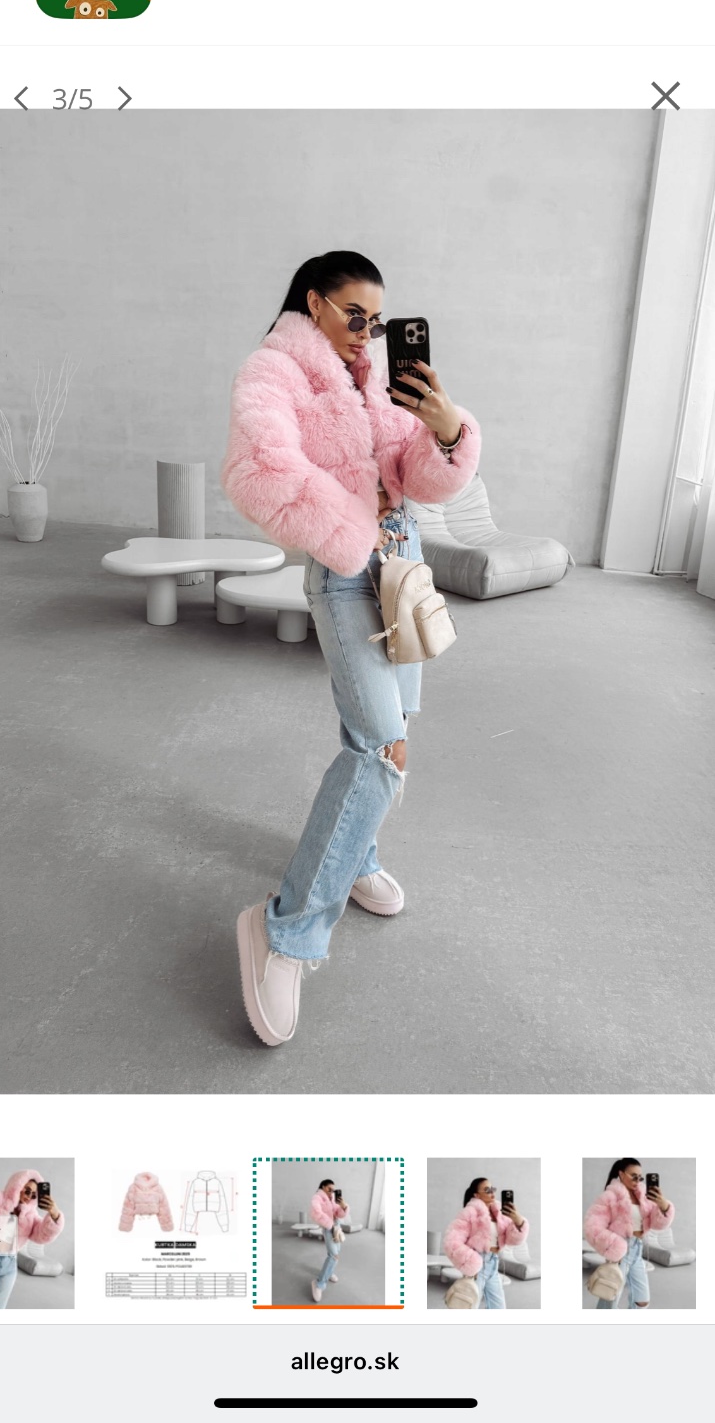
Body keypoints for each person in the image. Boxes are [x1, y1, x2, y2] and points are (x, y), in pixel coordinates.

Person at [222, 251, 481, 1046]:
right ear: (315, 303)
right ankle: (285, 930)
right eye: (355, 314)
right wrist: (347, 530)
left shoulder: (375, 379)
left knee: (386, 731)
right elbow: (258, 471)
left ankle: (356, 853)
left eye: (377, 318)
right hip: (345, 574)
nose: (368, 331)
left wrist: (445, 432)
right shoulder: (273, 371)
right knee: (380, 749)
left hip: (403, 569)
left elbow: (415, 477)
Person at [584, 1158, 674, 1309]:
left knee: (642, 1300)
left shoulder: (643, 1197)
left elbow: (656, 1223)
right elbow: (591, 1227)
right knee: (610, 1297)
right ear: (621, 1174)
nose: (637, 1181)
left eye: (640, 1177)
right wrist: (616, 1245)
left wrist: (663, 1205)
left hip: (637, 1251)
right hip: (620, 1253)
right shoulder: (609, 1197)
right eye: (633, 1176)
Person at [0, 1169, 64, 1309]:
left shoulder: (30, 1214)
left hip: (9, 1264)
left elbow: (41, 1235)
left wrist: (54, 1215)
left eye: (34, 1195)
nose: (29, 1196)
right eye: (27, 1190)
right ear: (18, 1185)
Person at [443, 1177, 529, 1309]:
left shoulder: (499, 1213)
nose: (492, 1193)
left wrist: (518, 1221)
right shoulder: (469, 1212)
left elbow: (511, 1239)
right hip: (477, 1265)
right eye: (487, 1190)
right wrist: (472, 1262)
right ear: (476, 1195)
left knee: (498, 1307)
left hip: (493, 1264)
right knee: (470, 1306)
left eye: (492, 1189)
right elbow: (451, 1241)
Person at [309, 1178, 349, 1303]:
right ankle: (318, 1283)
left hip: (337, 1227)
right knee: (333, 1255)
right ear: (323, 1186)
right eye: (329, 1189)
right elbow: (316, 1213)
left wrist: (343, 1206)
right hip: (328, 1228)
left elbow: (338, 1213)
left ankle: (329, 1272)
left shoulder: (332, 1198)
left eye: (333, 1190)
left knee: (336, 1252)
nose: (331, 1192)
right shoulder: (317, 1198)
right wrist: (329, 1224)